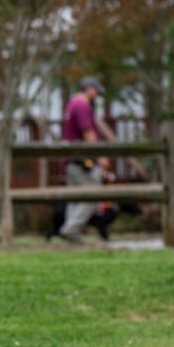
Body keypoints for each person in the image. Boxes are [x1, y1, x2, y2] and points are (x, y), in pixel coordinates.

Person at [59, 76, 111, 244]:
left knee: (75, 196)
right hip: (82, 161)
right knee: (92, 193)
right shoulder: (82, 106)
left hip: (70, 160)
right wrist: (100, 155)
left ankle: (70, 232)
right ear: (88, 88)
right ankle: (71, 229)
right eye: (96, 91)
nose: (97, 95)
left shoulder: (71, 104)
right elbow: (88, 132)